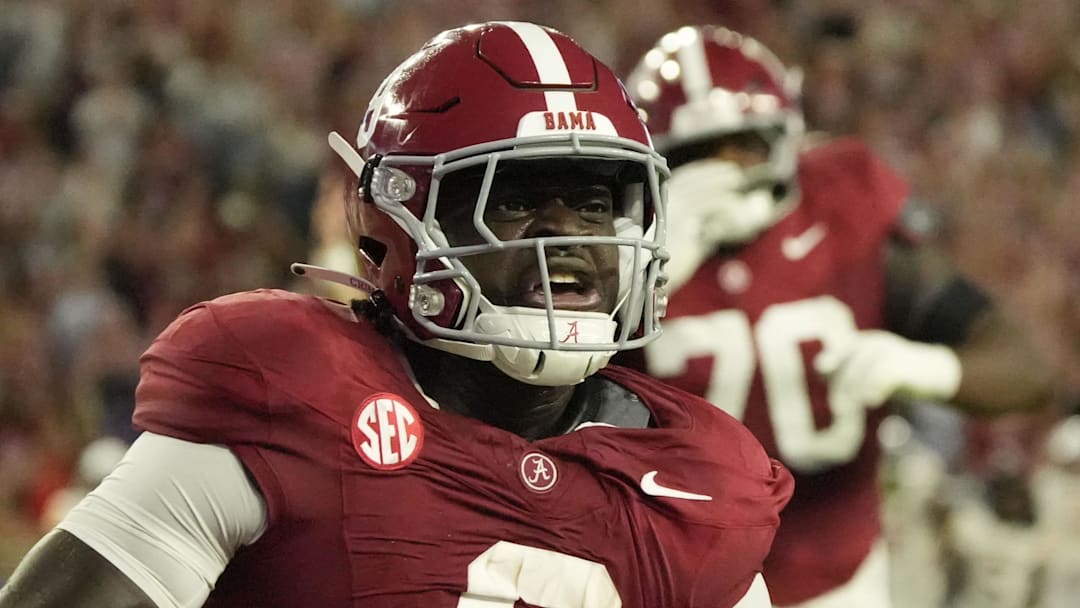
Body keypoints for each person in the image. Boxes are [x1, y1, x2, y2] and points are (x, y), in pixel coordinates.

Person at [0, 22, 793, 608]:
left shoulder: (701, 480)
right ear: (401, 222)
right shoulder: (294, 391)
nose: (569, 240)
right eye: (513, 200)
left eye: (594, 204)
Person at [620, 24, 1053, 607]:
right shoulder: (620, 251)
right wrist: (638, 277)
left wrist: (924, 367)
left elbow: (1024, 366)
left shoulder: (843, 205)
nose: (725, 170)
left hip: (834, 580)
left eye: (744, 145)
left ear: (784, 138)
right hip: (674, 580)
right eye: (693, 156)